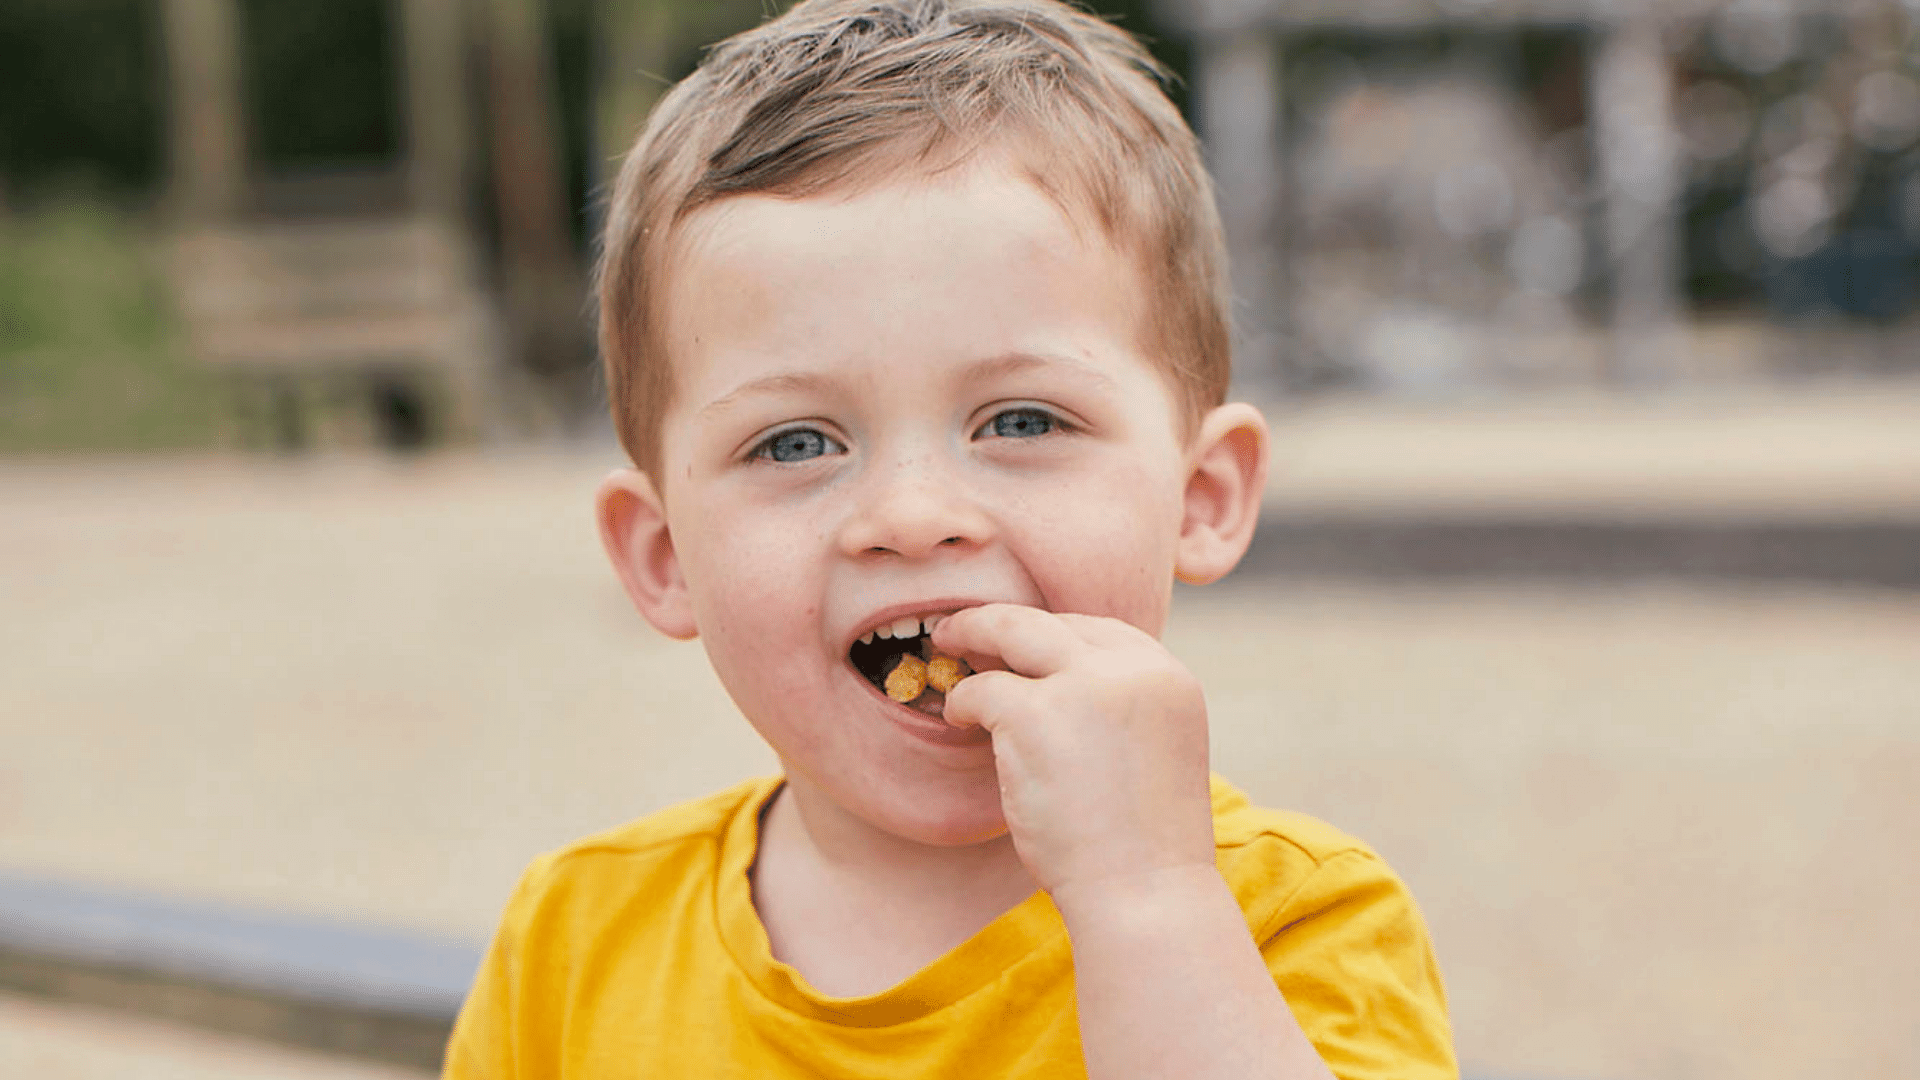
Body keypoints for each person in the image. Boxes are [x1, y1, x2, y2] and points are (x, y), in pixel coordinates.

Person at [443, 2, 1456, 1077]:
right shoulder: (576, 940)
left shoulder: (1297, 924)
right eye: (794, 442)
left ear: (1201, 497)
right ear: (661, 557)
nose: (913, 514)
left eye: (1021, 422)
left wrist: (1146, 901)